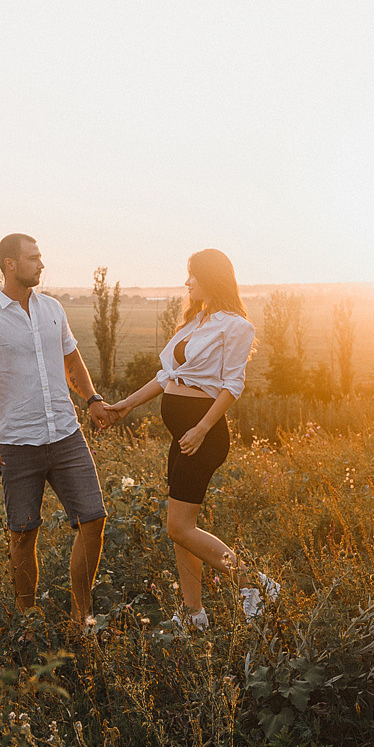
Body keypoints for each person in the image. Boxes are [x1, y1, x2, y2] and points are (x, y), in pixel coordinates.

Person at [93, 248, 279, 629]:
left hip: (202, 434)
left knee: (178, 526)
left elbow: (232, 386)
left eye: (192, 274)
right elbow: (167, 378)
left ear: (211, 278)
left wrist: (203, 427)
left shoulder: (236, 326)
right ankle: (193, 613)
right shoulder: (194, 321)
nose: (186, 281)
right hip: (183, 433)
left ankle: (255, 583)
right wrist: (125, 405)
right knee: (183, 528)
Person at [0, 233, 110, 633]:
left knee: (93, 519)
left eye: (40, 257)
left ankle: (81, 616)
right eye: (33, 258)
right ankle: (29, 624)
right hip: (16, 443)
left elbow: (72, 358)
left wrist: (92, 399)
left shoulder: (53, 309)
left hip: (65, 434)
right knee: (23, 534)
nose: (41, 264)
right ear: (9, 264)